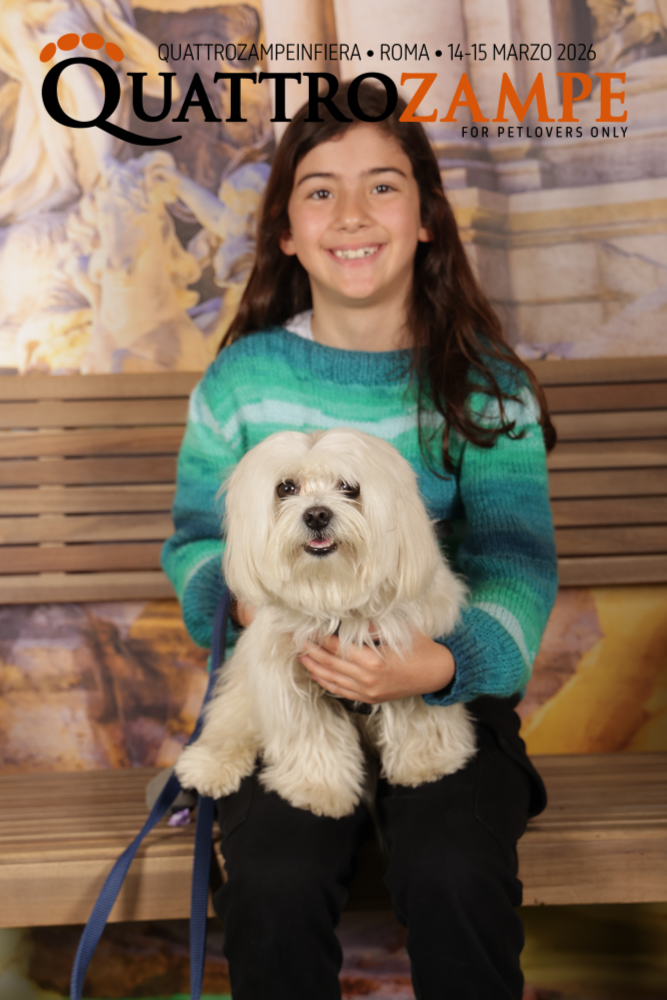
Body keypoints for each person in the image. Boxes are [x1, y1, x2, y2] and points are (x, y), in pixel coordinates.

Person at [162, 82, 558, 1000]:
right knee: (273, 878)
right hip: (285, 688)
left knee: (453, 869)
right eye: (319, 190)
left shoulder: (483, 385)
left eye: (382, 186)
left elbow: (513, 562)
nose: (351, 213)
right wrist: (245, 603)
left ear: (426, 219)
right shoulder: (241, 383)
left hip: (443, 686)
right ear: (285, 232)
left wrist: (439, 664)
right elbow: (194, 539)